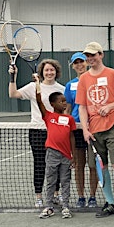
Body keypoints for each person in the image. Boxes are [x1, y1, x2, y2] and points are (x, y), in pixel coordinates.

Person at [76, 41, 114, 221]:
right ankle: (111, 203)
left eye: (93, 55)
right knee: (101, 168)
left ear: (101, 55)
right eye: (87, 56)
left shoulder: (113, 74)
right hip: (93, 131)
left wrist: (110, 106)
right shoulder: (84, 79)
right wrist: (85, 130)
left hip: (113, 126)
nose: (90, 59)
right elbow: (82, 107)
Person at [8, 59, 64, 208]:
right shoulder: (33, 87)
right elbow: (13, 94)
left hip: (56, 132)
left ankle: (56, 194)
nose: (49, 72)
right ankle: (39, 196)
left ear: (56, 72)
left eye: (52, 70)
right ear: (42, 72)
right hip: (37, 131)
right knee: (40, 164)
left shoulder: (62, 89)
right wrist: (13, 77)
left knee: (56, 165)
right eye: (46, 70)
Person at [34, 75, 76, 219]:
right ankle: (49, 206)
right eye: (62, 101)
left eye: (65, 101)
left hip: (66, 155)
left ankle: (65, 207)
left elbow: (71, 137)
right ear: (53, 104)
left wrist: (73, 156)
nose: (64, 104)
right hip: (52, 153)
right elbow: (39, 101)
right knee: (51, 180)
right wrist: (38, 85)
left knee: (65, 181)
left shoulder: (69, 119)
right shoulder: (48, 116)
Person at [64, 52, 98, 208]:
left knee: (93, 164)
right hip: (77, 128)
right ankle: (81, 196)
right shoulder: (70, 85)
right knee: (79, 165)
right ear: (73, 66)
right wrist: (65, 126)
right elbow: (68, 108)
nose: (79, 65)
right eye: (76, 63)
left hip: (94, 127)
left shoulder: (95, 80)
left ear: (87, 63)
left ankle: (92, 196)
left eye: (82, 62)